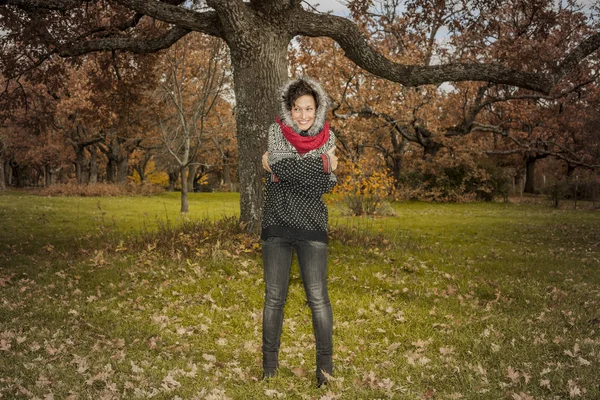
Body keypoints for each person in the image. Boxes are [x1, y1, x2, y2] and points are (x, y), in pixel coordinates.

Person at [260, 77, 338, 387]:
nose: (303, 115)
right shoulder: (276, 130)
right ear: (289, 110)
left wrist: (282, 170)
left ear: (317, 109)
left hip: (313, 226)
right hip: (276, 224)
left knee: (318, 299)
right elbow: (284, 168)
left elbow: (327, 184)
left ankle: (325, 370)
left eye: (309, 108)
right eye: (297, 109)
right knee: (274, 299)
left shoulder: (328, 137)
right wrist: (321, 164)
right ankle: (268, 367)